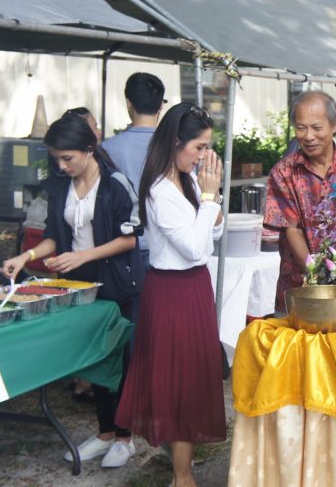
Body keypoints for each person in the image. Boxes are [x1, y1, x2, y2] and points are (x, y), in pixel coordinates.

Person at [1, 113, 144, 467]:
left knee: (120, 361)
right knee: (94, 360)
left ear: (89, 149)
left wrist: (84, 255)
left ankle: (125, 438)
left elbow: (130, 238)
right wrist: (25, 256)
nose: (62, 166)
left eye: (68, 158)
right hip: (80, 286)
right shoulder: (59, 185)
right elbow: (54, 234)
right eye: (57, 159)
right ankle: (104, 433)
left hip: (117, 284)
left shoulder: (115, 184)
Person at [115, 103, 225, 487]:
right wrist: (210, 200)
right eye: (199, 147)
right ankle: (182, 477)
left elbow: (210, 237)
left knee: (194, 379)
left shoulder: (188, 180)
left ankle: (183, 472)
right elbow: (196, 247)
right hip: (171, 292)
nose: (203, 156)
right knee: (179, 384)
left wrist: (211, 201)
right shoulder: (160, 190)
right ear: (176, 142)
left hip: (194, 287)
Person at [265, 91, 336, 313]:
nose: (308, 136)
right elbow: (292, 229)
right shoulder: (283, 172)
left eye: (317, 128)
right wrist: (319, 277)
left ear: (334, 125)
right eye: (301, 127)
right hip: (300, 290)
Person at [102, 72, 166, 268]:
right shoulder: (178, 147)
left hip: (124, 245)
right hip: (168, 246)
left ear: (129, 104)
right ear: (161, 106)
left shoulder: (106, 149)